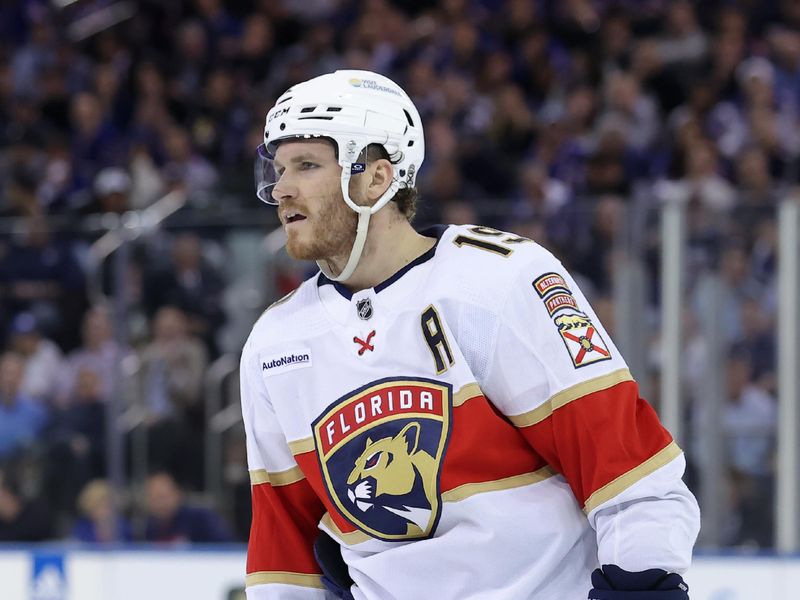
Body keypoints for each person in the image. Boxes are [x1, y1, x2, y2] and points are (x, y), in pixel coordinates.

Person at [240, 70, 700, 600]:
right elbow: (283, 549)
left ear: (377, 179)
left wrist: (642, 583)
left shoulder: (497, 280)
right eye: (278, 170)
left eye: (307, 165)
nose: (282, 188)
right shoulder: (276, 344)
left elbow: (628, 472)